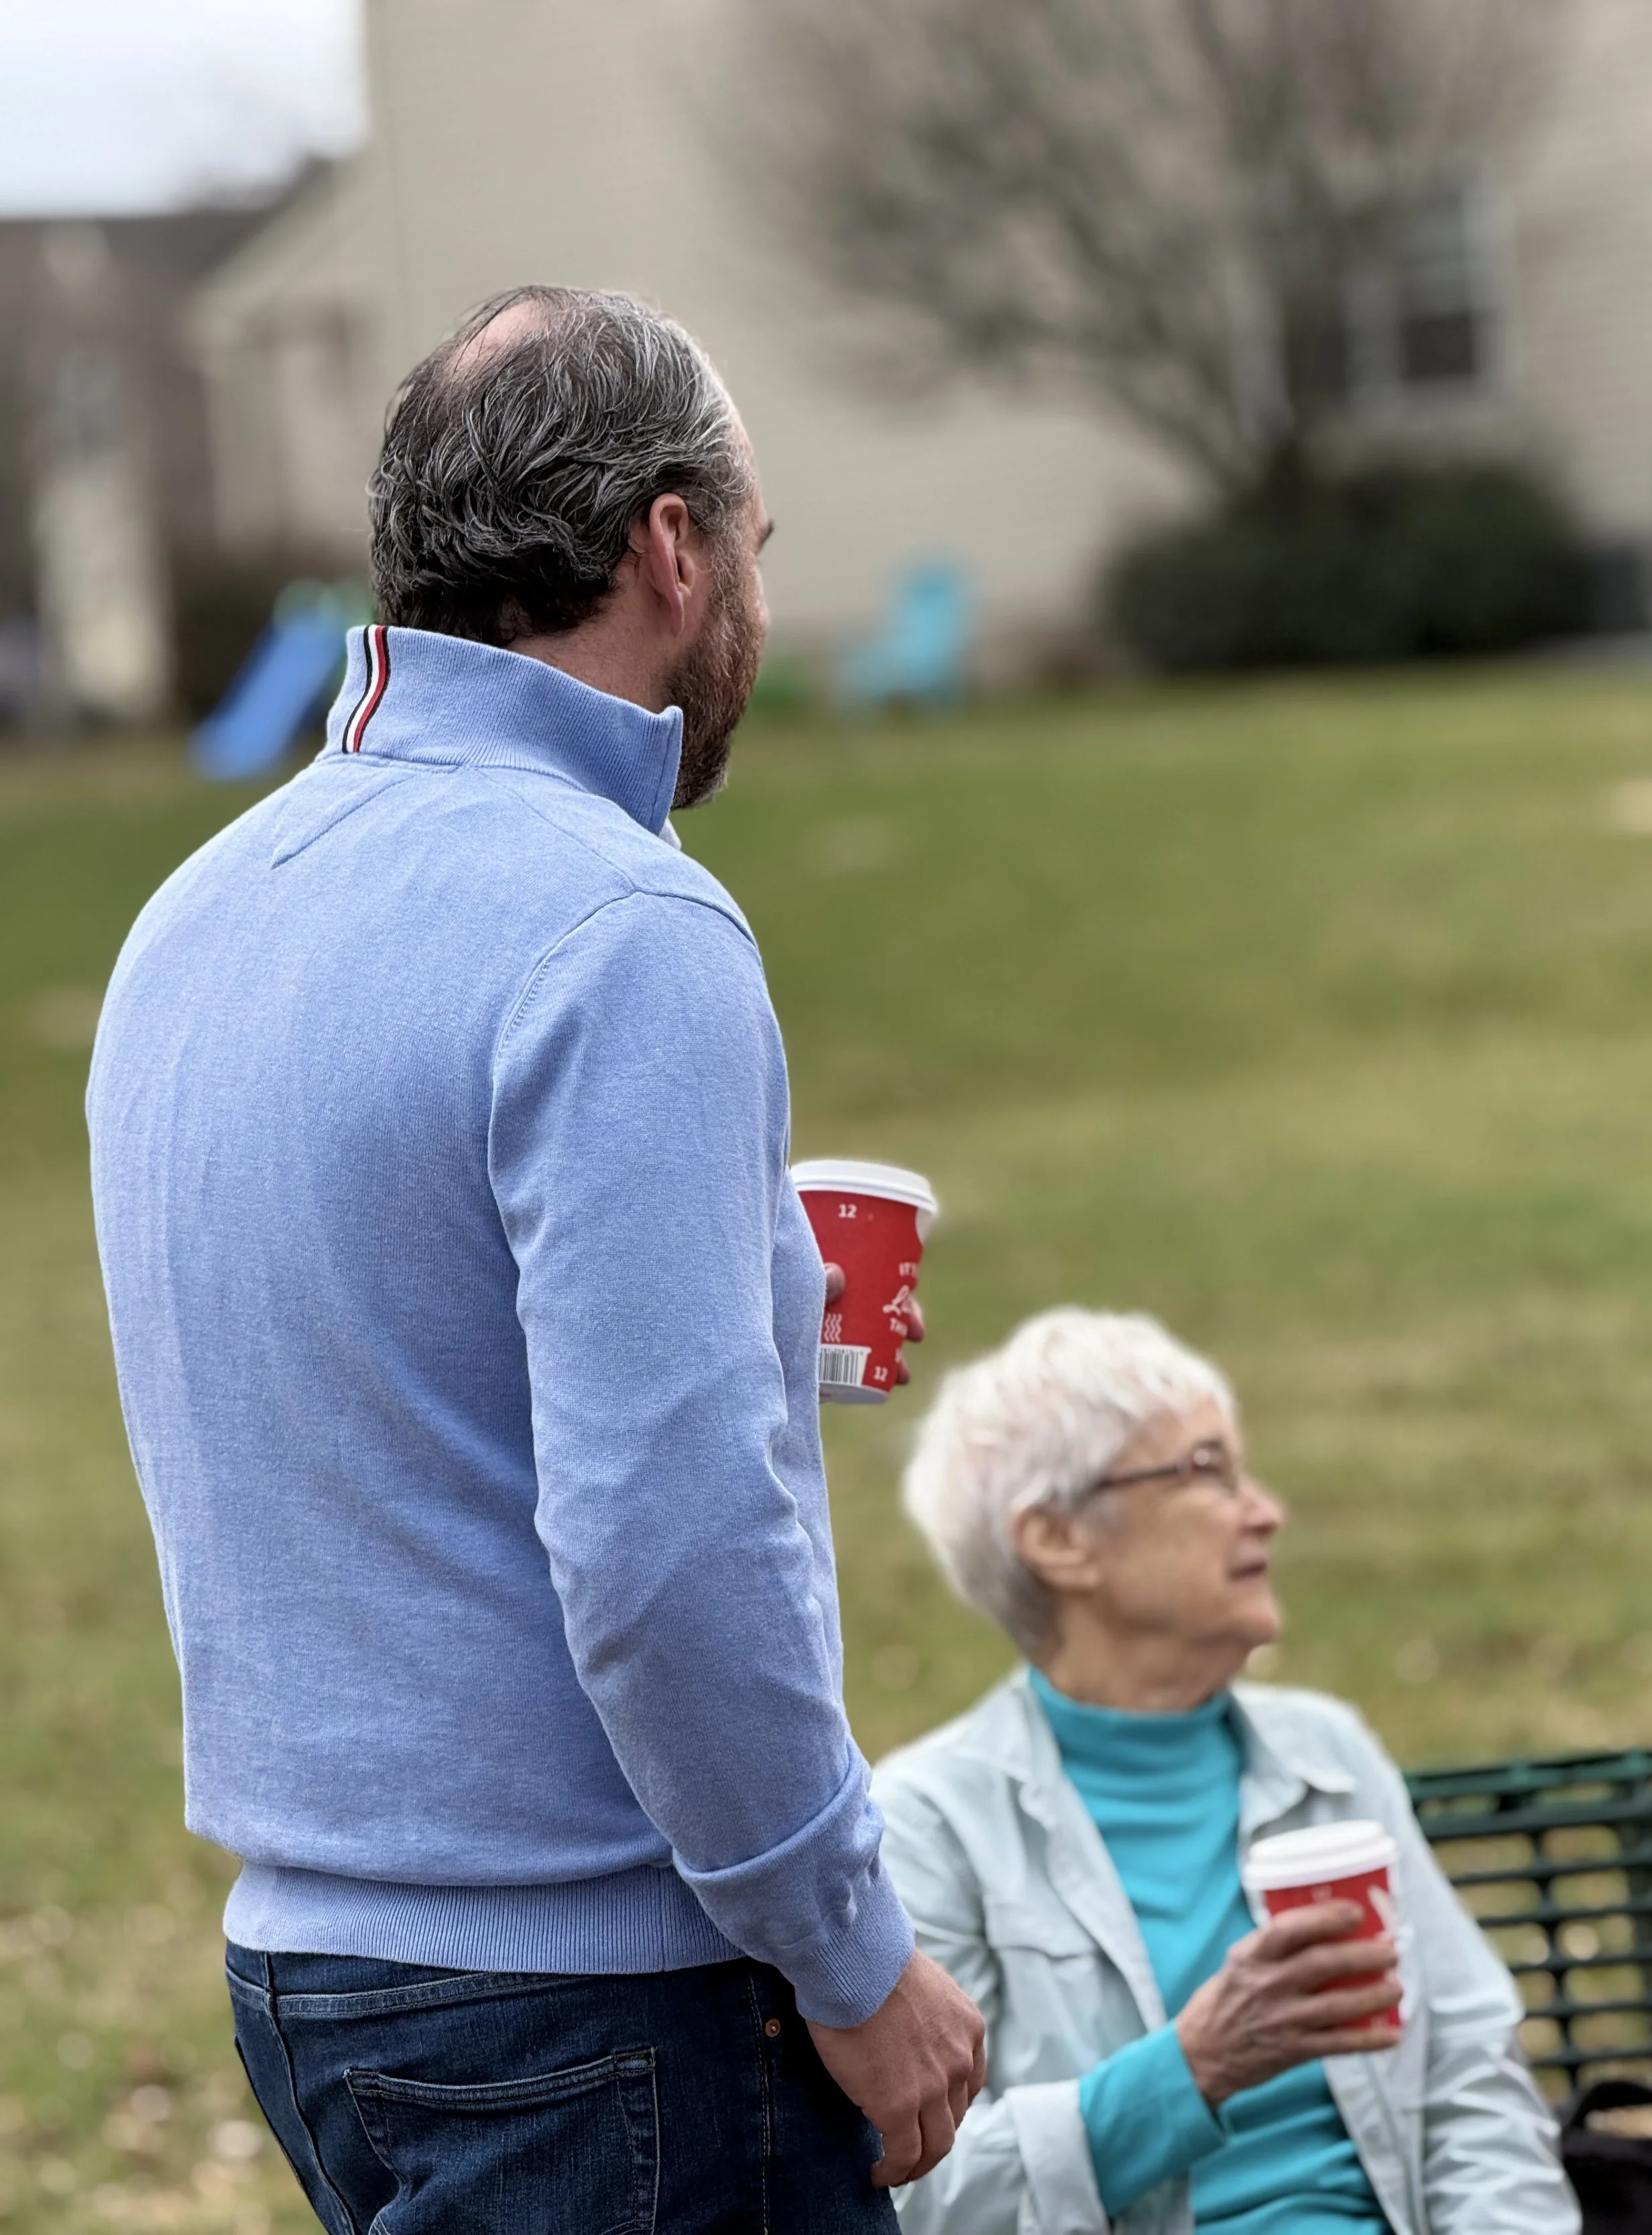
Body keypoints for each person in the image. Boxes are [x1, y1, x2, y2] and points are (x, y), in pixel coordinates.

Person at [86, 287, 984, 2235]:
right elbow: (668, 1553)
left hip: (313, 1986)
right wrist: (850, 1957)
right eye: (753, 539)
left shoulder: (194, 915)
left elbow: (374, 1361)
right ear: (673, 544)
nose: (752, 587)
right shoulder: (621, 929)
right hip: (610, 2017)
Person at [874, 1307, 1578, 2235]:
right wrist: (1191, 2070)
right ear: (1058, 1541)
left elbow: (1468, 2077)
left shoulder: (1327, 1755)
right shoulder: (930, 1821)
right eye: (1206, 1470)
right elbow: (923, 2199)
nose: (1265, 1510)